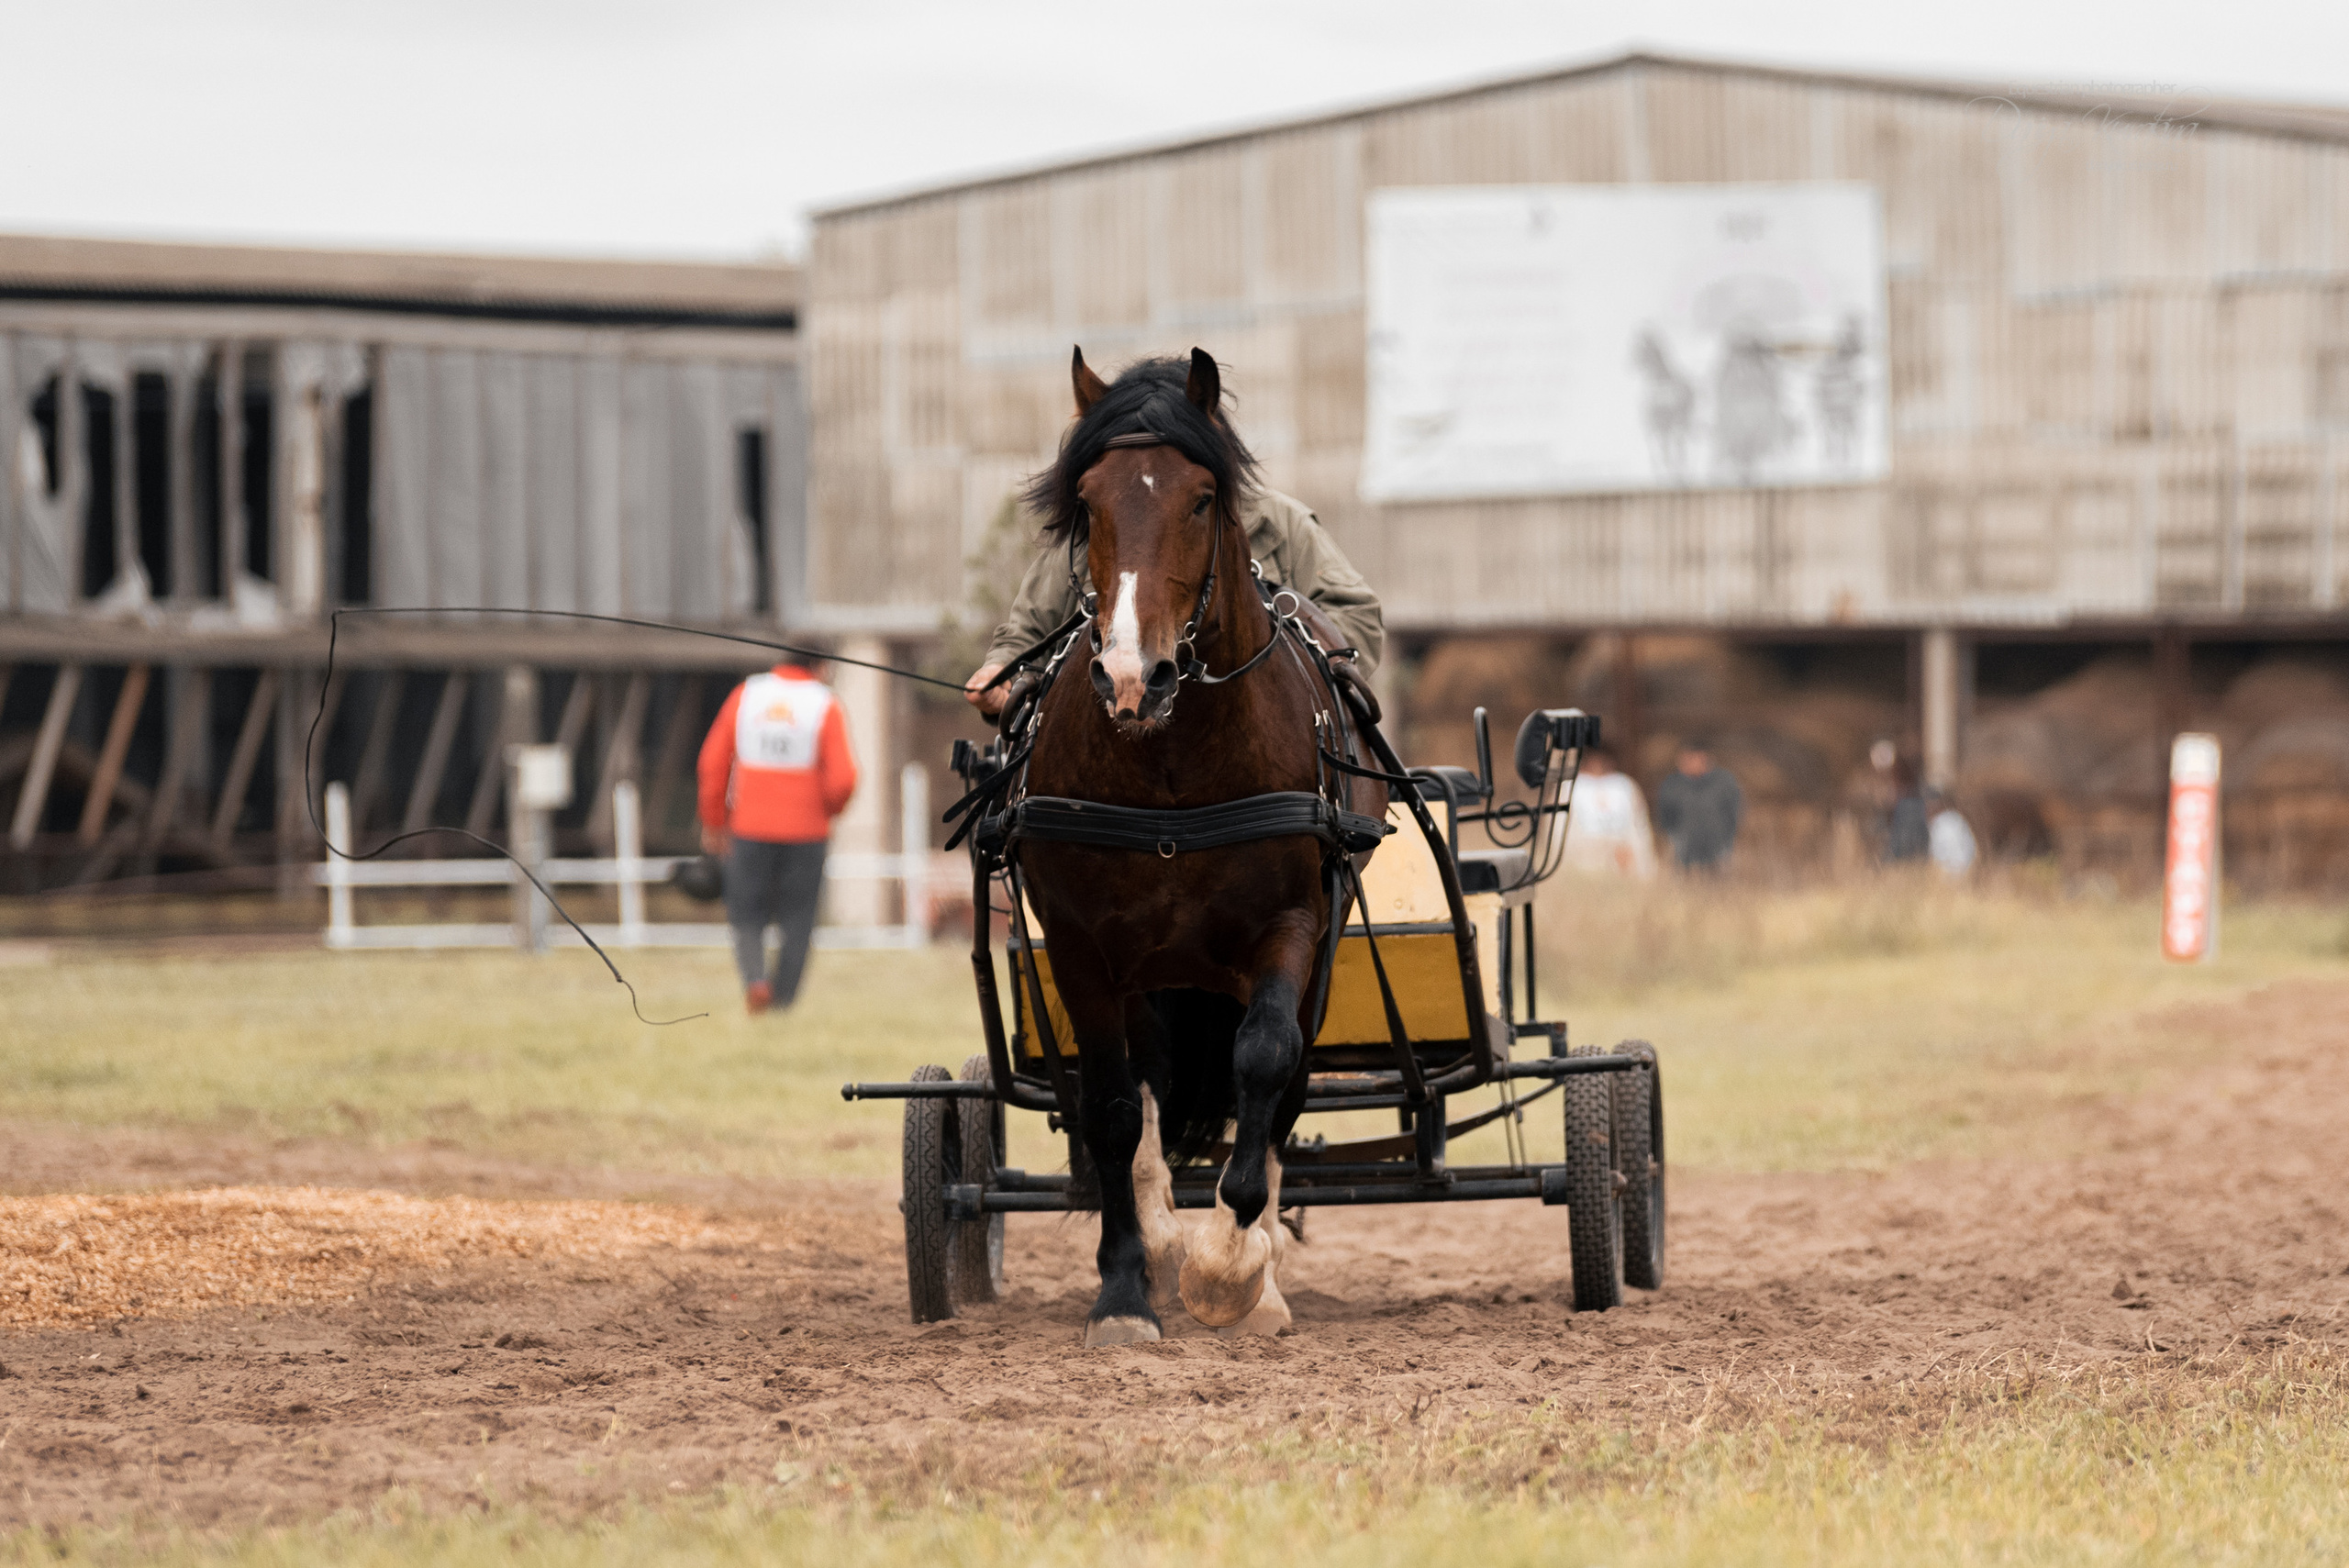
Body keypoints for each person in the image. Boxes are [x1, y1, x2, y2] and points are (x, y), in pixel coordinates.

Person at [963, 362, 1383, 716]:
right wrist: (1002, 672)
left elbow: (1354, 615)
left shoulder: (1281, 524)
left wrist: (1289, 672)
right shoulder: (1090, 528)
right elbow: (1029, 632)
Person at [697, 655, 859, 1016]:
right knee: (798, 918)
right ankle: (783, 1003)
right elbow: (844, 779)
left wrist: (714, 821)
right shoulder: (825, 702)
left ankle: (756, 983)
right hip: (807, 832)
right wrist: (826, 809)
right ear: (820, 666)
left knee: (745, 912)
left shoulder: (746, 695)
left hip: (749, 828)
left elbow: (712, 762)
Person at [1562, 749, 1657, 879]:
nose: (1598, 766)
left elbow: (1639, 826)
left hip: (1622, 858)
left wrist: (1638, 856)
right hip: (1585, 859)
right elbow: (1560, 831)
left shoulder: (1624, 786)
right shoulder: (1571, 788)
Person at [1653, 740, 1742, 873]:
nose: (1684, 764)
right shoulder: (1672, 785)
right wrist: (1672, 836)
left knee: (1718, 885)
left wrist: (1727, 836)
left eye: (1689, 759)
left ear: (1703, 758)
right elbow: (1665, 814)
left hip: (1717, 844)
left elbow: (1734, 812)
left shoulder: (1723, 782)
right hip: (1684, 846)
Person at [1927, 789, 1978, 879]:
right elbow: (1971, 847)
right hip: (1965, 870)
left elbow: (1938, 853)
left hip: (1950, 874)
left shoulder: (1941, 824)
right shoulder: (1957, 819)